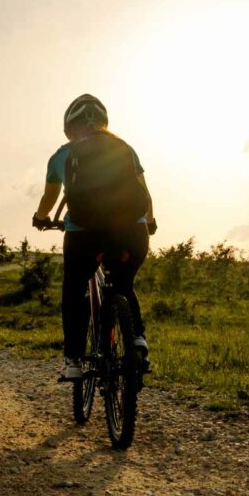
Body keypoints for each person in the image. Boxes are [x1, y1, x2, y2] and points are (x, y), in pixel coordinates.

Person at [32, 94, 157, 381]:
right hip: (132, 232)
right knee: (123, 281)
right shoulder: (124, 149)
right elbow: (145, 194)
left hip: (83, 235)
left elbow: (48, 200)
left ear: (69, 128)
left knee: (74, 290)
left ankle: (74, 360)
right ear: (104, 123)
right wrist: (148, 223)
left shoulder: (61, 156)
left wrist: (41, 218)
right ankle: (137, 338)